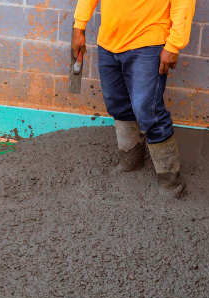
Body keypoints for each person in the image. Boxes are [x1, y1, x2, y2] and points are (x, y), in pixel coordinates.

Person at [71, 0, 195, 198]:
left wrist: (173, 44)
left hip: (148, 43)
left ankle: (171, 183)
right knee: (117, 104)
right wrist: (79, 26)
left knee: (148, 111)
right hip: (109, 42)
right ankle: (131, 163)